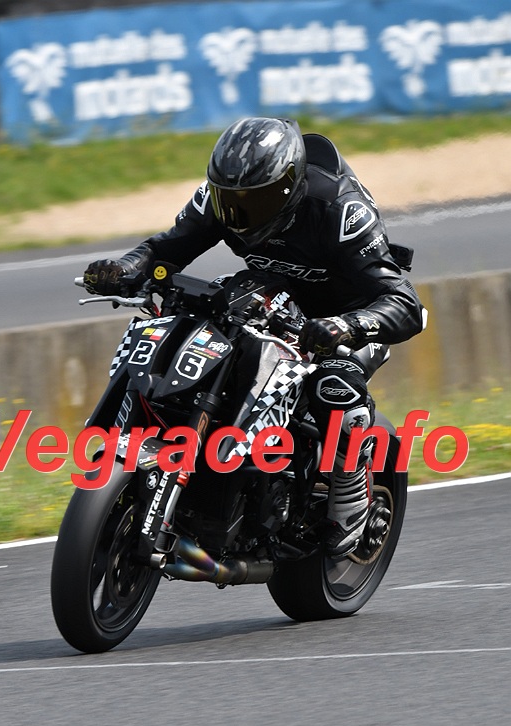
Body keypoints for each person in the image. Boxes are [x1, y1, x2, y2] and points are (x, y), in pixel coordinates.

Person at [83, 117, 425, 558]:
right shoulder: (222, 197)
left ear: (288, 187)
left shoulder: (341, 210)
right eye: (229, 202)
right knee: (188, 325)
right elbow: (166, 250)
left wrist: (348, 326)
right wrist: (126, 268)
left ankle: (350, 498)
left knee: (333, 384)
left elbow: (405, 303)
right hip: (271, 298)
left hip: (348, 315)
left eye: (254, 201)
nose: (237, 214)